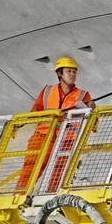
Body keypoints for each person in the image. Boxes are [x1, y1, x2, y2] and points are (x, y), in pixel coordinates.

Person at [16, 56, 94, 191]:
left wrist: (91, 107)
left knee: (60, 170)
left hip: (67, 137)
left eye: (74, 72)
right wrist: (20, 122)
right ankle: (19, 195)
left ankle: (52, 195)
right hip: (43, 134)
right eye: (69, 71)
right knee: (32, 166)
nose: (72, 75)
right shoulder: (47, 90)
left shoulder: (83, 94)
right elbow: (35, 110)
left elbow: (90, 112)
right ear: (59, 73)